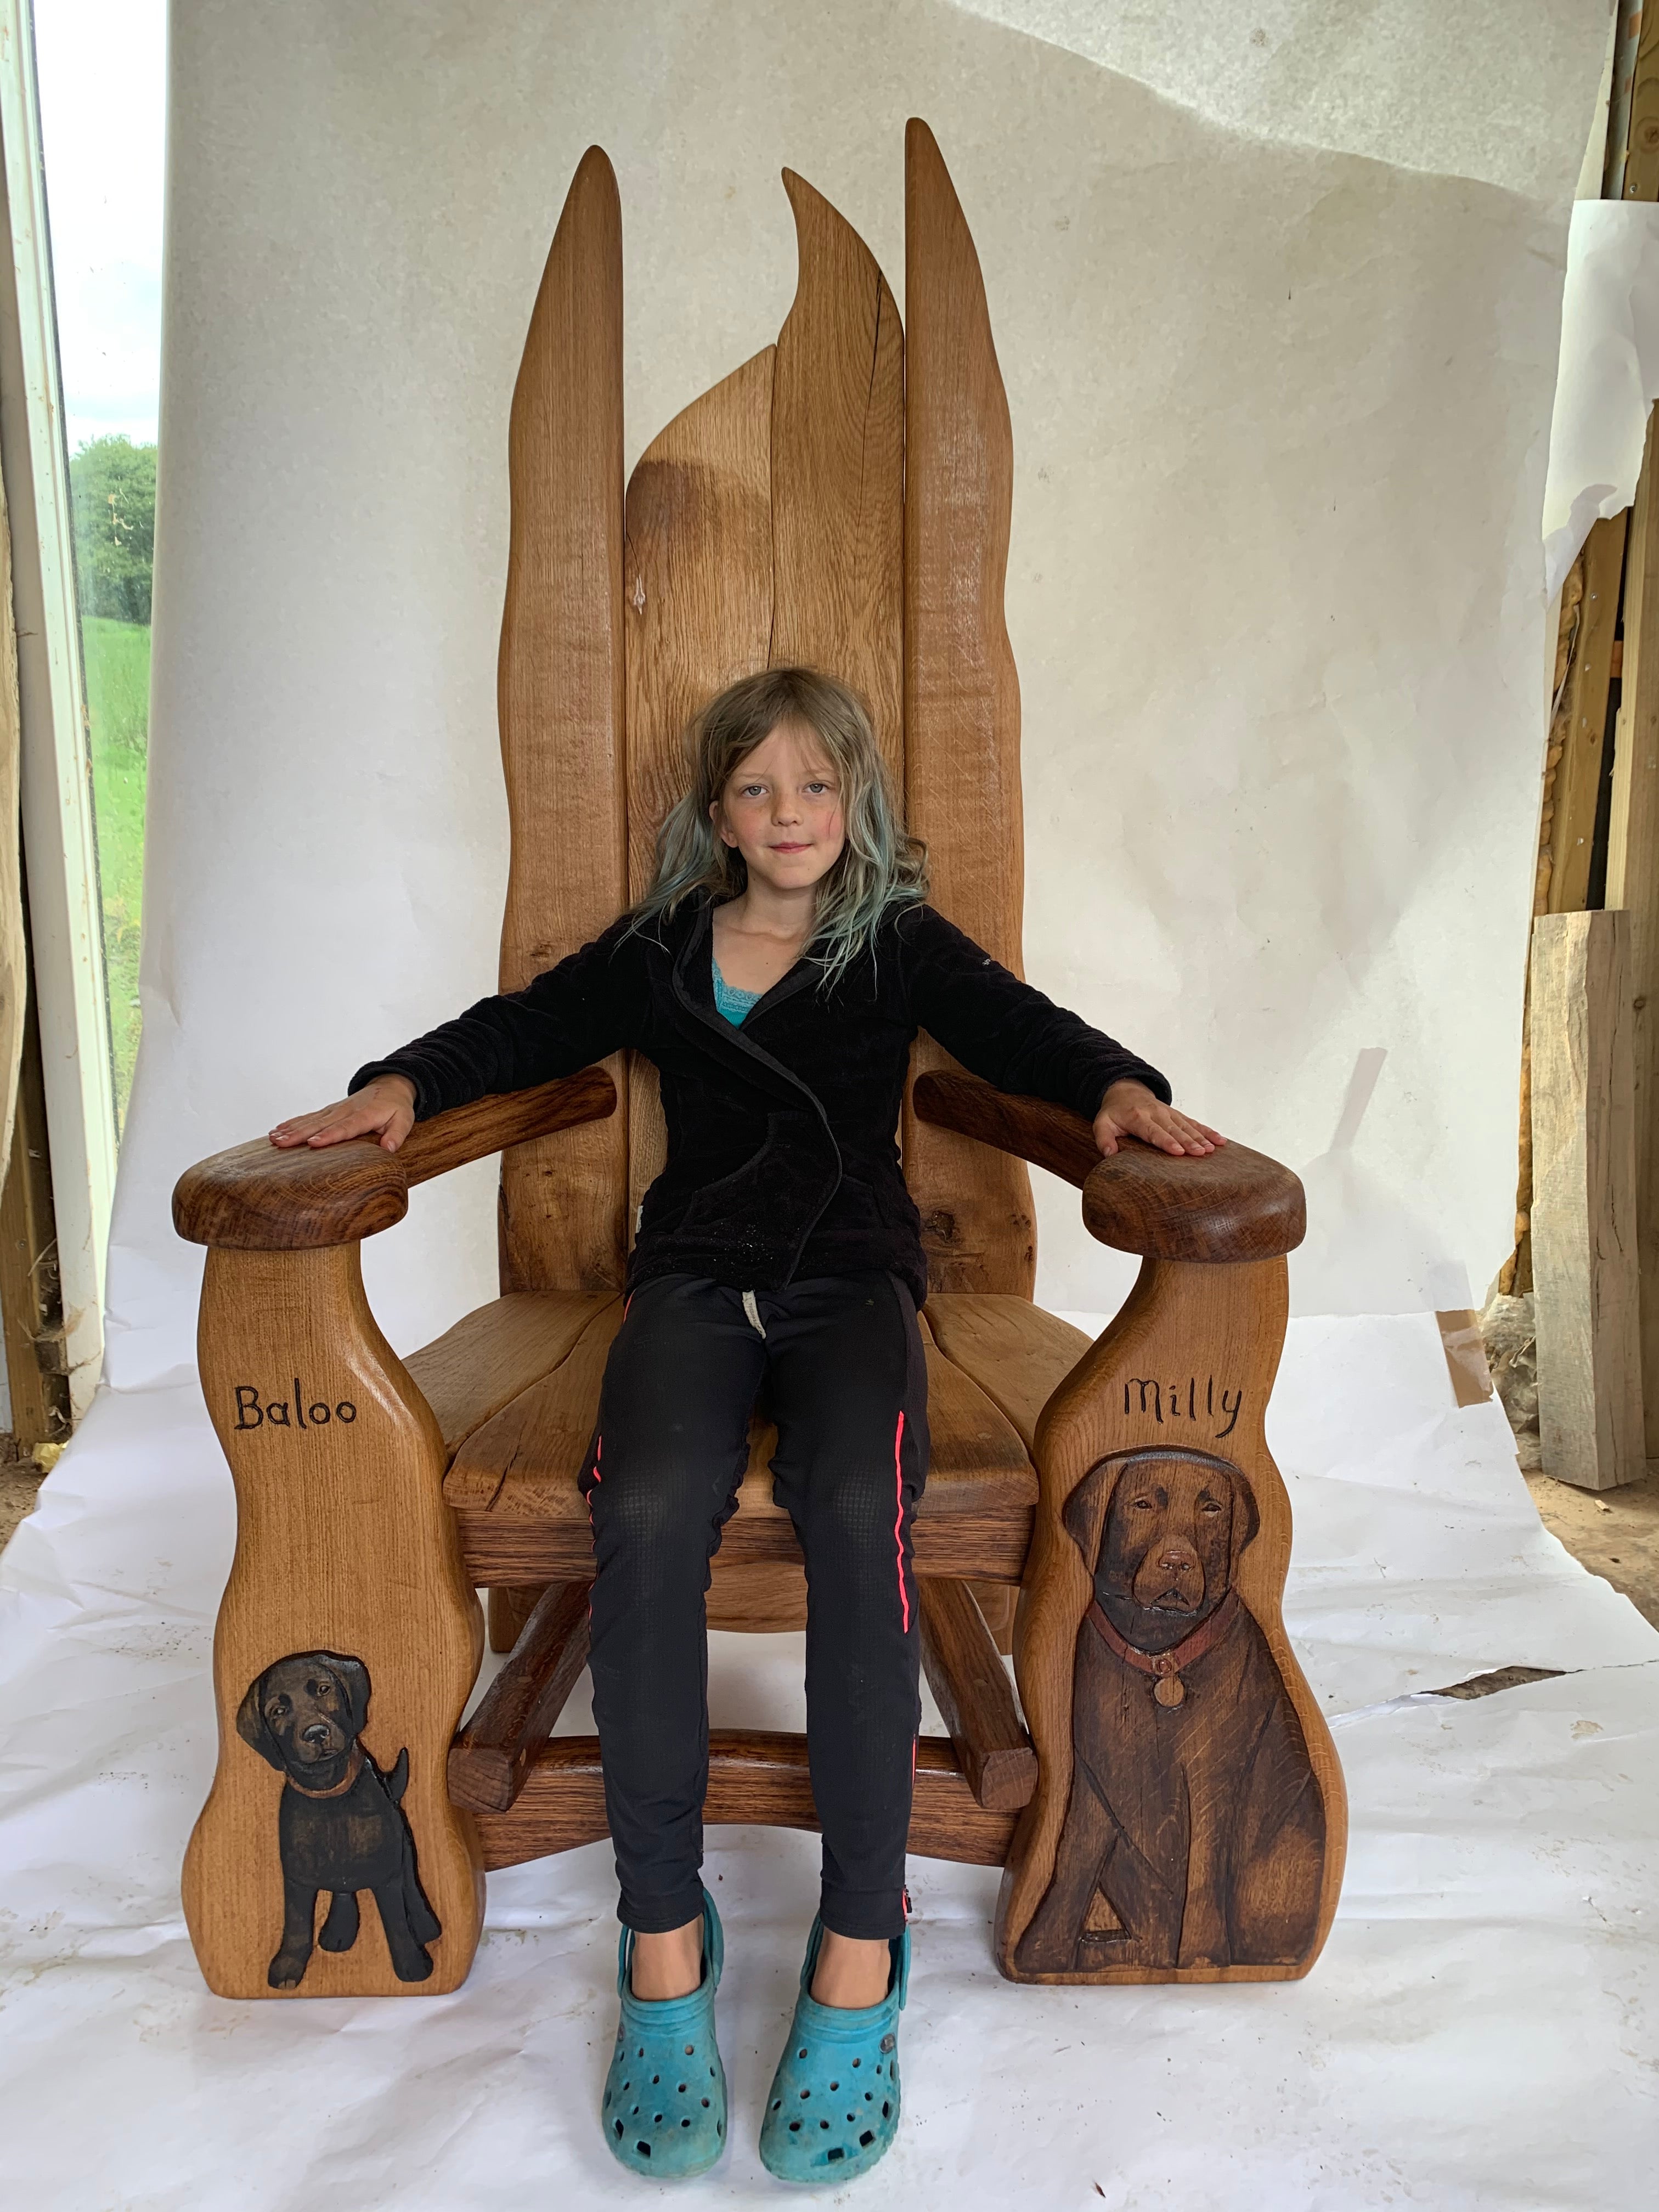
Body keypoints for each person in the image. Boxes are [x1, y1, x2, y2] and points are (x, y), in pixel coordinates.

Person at [270, 665, 1221, 2182]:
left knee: (859, 1507)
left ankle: (860, 1941)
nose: (789, 816)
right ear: (715, 810)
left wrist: (1116, 1087)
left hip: (851, 1282)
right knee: (644, 1510)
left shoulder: (894, 941)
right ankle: (662, 1932)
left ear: (856, 804)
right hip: (700, 1276)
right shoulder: (663, 949)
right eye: (757, 789)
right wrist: (398, 1085)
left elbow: (1017, 1026)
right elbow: (519, 1028)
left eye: (816, 788)